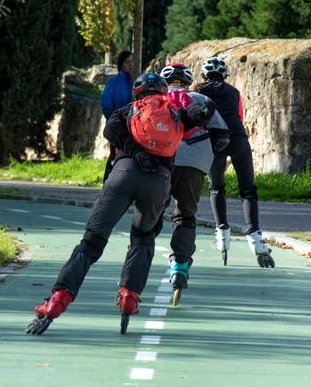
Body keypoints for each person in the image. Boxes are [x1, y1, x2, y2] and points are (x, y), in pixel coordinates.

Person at [26, 72, 215, 336]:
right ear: (162, 92)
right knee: (143, 239)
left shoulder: (128, 111)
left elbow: (110, 130)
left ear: (137, 93)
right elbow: (194, 115)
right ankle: (129, 297)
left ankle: (57, 301)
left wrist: (136, 153)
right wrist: (204, 111)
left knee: (91, 242)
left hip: (122, 175)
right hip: (158, 182)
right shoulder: (174, 111)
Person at [160, 62, 228, 303]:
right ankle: (180, 267)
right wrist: (206, 155)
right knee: (185, 214)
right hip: (195, 161)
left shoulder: (156, 98)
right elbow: (222, 134)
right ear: (187, 82)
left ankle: (134, 273)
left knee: (151, 213)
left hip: (161, 160)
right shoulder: (199, 98)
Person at [197, 56, 274, 268]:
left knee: (216, 187)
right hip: (238, 138)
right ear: (225, 76)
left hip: (215, 141)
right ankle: (255, 236)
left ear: (204, 76)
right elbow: (239, 116)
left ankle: (222, 231)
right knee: (248, 190)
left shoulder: (199, 91)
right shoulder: (234, 92)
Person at [99, 50, 134, 183]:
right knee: (115, 155)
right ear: (121, 64)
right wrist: (114, 122)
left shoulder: (137, 81)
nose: (130, 65)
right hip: (118, 126)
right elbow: (106, 104)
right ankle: (107, 184)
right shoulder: (113, 81)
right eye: (127, 62)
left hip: (134, 126)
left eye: (132, 62)